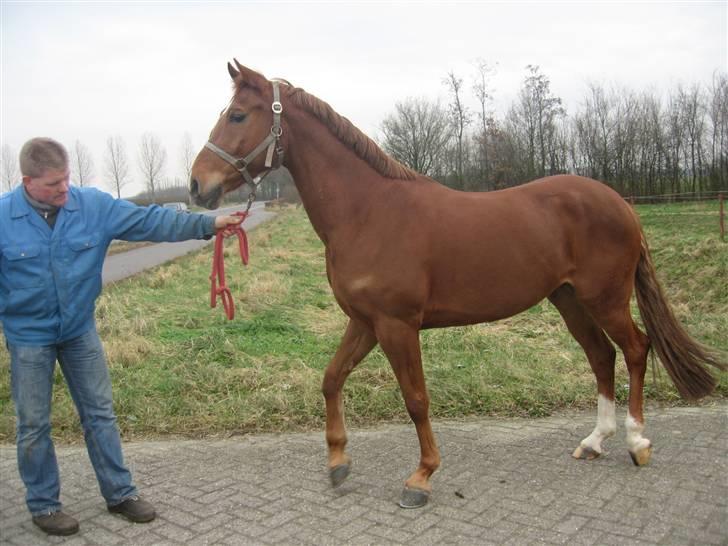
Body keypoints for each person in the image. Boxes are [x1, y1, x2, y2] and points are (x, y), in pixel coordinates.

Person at [0, 137, 242, 536]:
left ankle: (120, 494)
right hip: (28, 338)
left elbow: (152, 221)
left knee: (100, 414)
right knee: (33, 425)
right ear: (27, 181)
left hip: (78, 331)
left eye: (66, 180)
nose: (64, 189)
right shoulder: (5, 217)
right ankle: (44, 505)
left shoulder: (91, 206)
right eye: (53, 184)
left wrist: (208, 224)